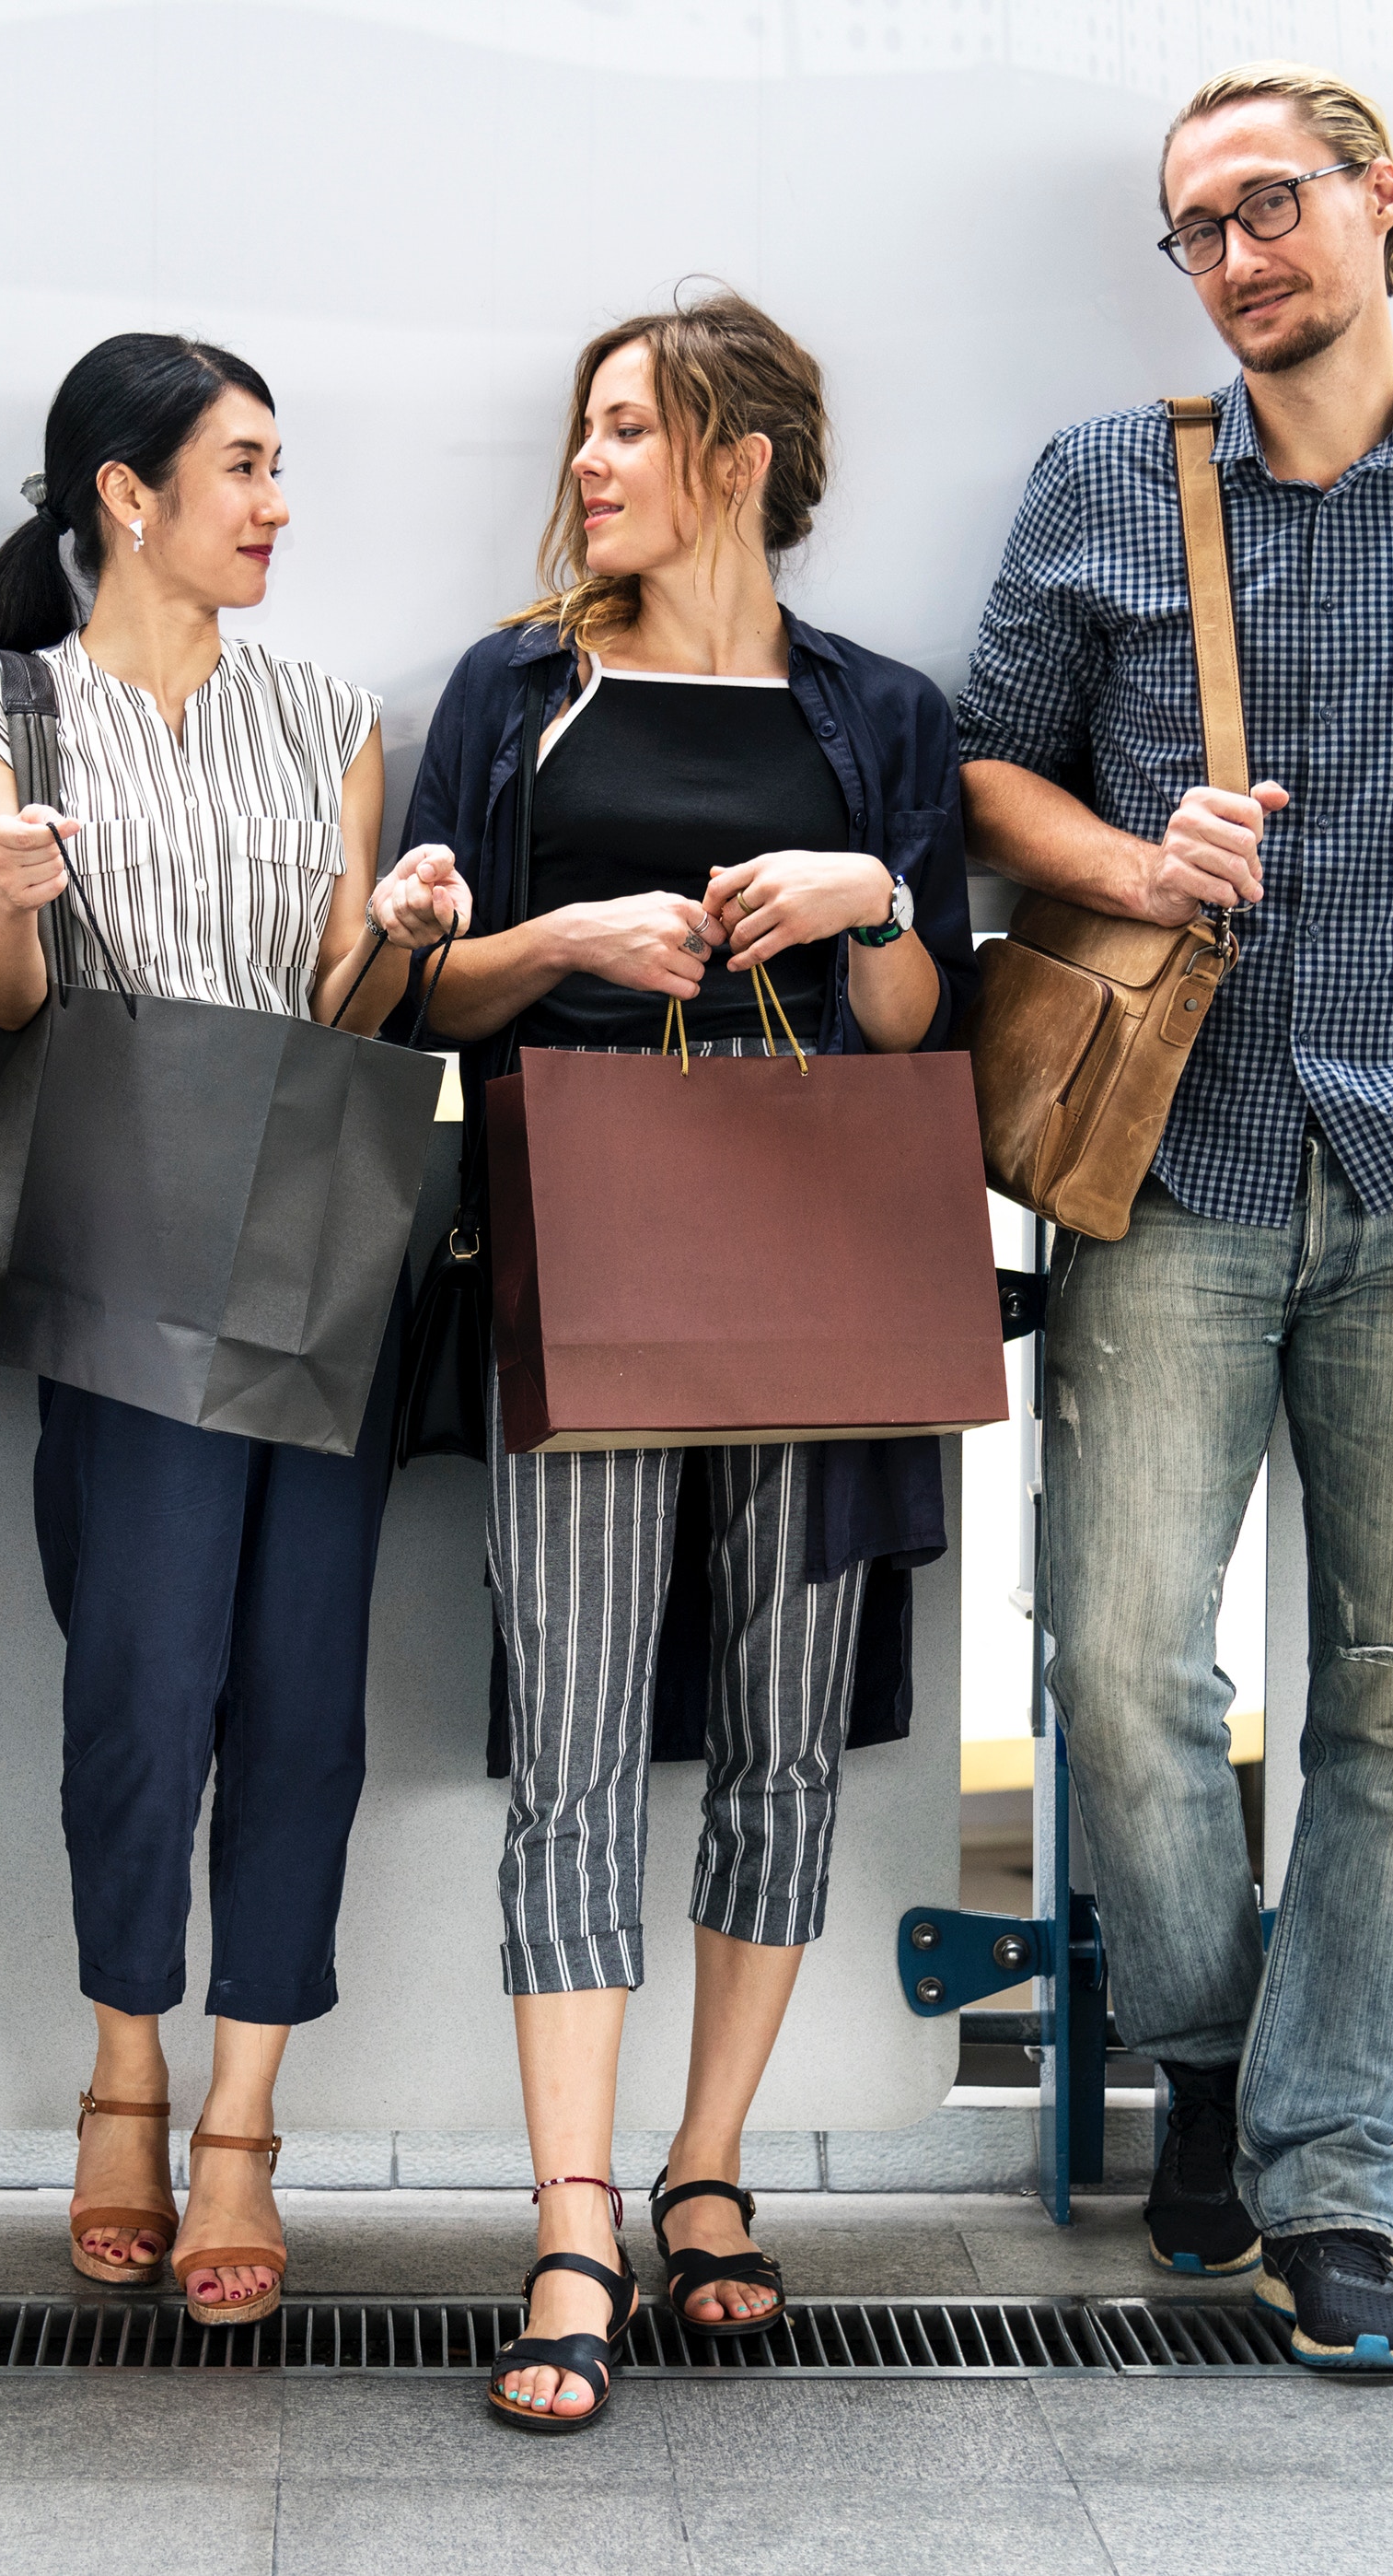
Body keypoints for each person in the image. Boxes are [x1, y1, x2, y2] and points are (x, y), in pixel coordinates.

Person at [958, 63, 1393, 2372]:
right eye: (1196, 229)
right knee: (1122, 1668)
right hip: (1158, 1172)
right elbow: (984, 772)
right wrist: (1131, 858)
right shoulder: (1099, 484)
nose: (1238, 255)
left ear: (1378, 208)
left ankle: (1327, 2189)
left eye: (1269, 208)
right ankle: (1214, 2058)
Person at [397, 293, 984, 2430]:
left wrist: (864, 905)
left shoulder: (879, 714)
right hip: (581, 1253)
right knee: (564, 1730)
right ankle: (568, 2207)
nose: (589, 464)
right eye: (584, 429)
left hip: (821, 1259)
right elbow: (421, 999)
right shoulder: (510, 691)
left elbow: (919, 1032)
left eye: (630, 428)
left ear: (740, 456)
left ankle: (704, 2168)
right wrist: (560, 942)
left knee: (784, 1730)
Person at [0, 332, 459, 2328]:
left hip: (312, 1227)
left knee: (300, 1686)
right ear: (121, 493)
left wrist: (399, 925)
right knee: (137, 1679)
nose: (274, 504)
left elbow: (343, 1012)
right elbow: (1, 1005)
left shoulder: (324, 706)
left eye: (278, 466)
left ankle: (243, 2112)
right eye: (240, 467)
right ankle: (122, 2075)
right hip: (118, 1232)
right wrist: (2, 895)